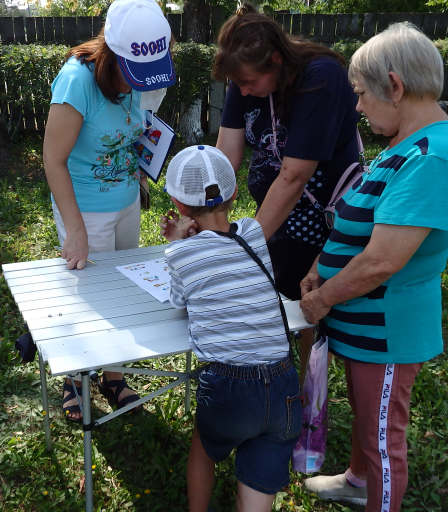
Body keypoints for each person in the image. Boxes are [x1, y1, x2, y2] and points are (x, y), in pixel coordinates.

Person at [298, 23, 448, 512]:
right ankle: (357, 482)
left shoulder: (431, 157)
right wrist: (319, 265)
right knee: (366, 419)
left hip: (386, 330)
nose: (357, 105)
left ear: (394, 87)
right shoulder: (406, 145)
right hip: (363, 325)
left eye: (360, 93)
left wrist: (322, 298)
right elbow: (357, 222)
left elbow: (382, 261)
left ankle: (376, 493)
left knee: (383, 438)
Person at [43, 0, 175, 421]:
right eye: (130, 74)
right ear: (112, 54)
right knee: (88, 301)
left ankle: (112, 375)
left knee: (122, 294)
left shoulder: (147, 65)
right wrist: (75, 228)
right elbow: (53, 160)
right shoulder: (75, 83)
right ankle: (74, 379)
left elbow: (139, 127)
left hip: (125, 202)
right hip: (85, 210)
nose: (136, 86)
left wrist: (138, 176)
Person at [212, 3, 360, 377]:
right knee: (274, 299)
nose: (244, 91)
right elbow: (226, 156)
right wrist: (208, 214)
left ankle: (305, 395)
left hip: (322, 217)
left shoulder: (320, 77)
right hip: (277, 214)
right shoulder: (241, 80)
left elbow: (295, 176)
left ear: (276, 60)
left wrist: (246, 246)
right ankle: (273, 383)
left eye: (250, 83)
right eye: (239, 85)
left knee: (309, 306)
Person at [160, 145, 301, 512]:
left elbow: (179, 301)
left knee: (204, 448)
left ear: (178, 205)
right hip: (283, 378)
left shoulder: (180, 253)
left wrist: (178, 243)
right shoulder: (253, 233)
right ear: (235, 192)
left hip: (230, 385)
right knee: (259, 477)